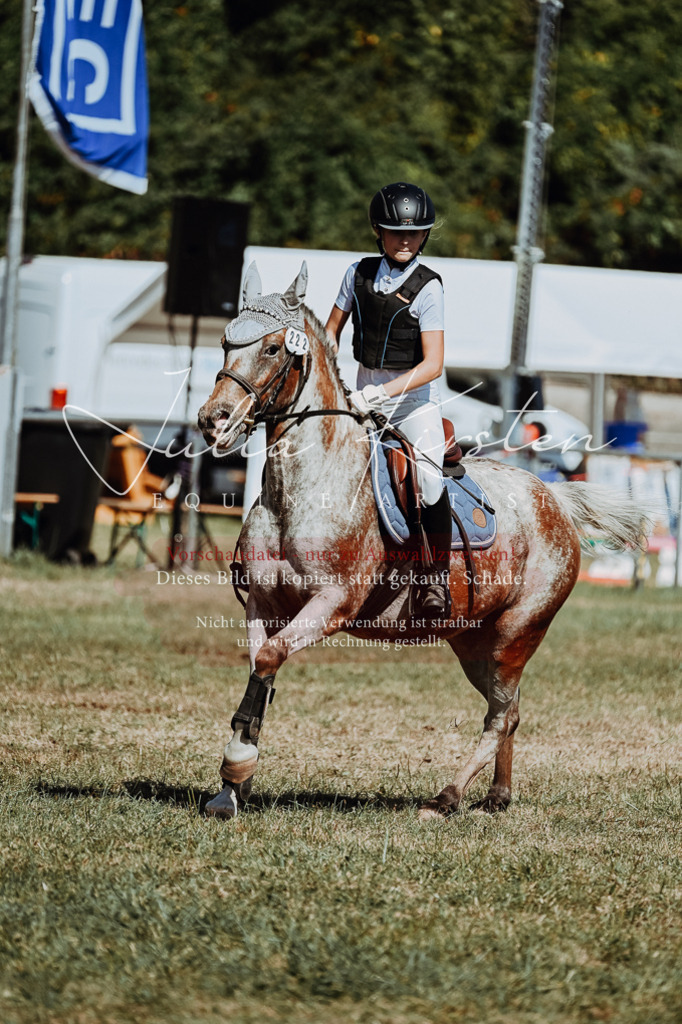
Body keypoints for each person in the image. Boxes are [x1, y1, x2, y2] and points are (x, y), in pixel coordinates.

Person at [325, 181, 451, 618]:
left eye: (415, 233)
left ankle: (434, 578)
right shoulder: (356, 273)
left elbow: (433, 363)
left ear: (425, 236)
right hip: (360, 398)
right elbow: (330, 334)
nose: (405, 239)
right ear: (377, 232)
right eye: (395, 231)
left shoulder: (429, 287)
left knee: (430, 482)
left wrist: (380, 393)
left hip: (413, 403)